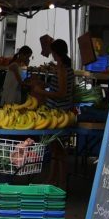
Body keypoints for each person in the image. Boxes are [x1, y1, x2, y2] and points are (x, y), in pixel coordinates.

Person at [28, 38, 74, 189]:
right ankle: (52, 180)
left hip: (58, 113)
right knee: (55, 150)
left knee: (60, 151)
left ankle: (60, 183)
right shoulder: (66, 68)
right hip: (60, 111)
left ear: (56, 52)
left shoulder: (62, 69)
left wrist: (42, 92)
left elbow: (61, 93)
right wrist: (46, 85)